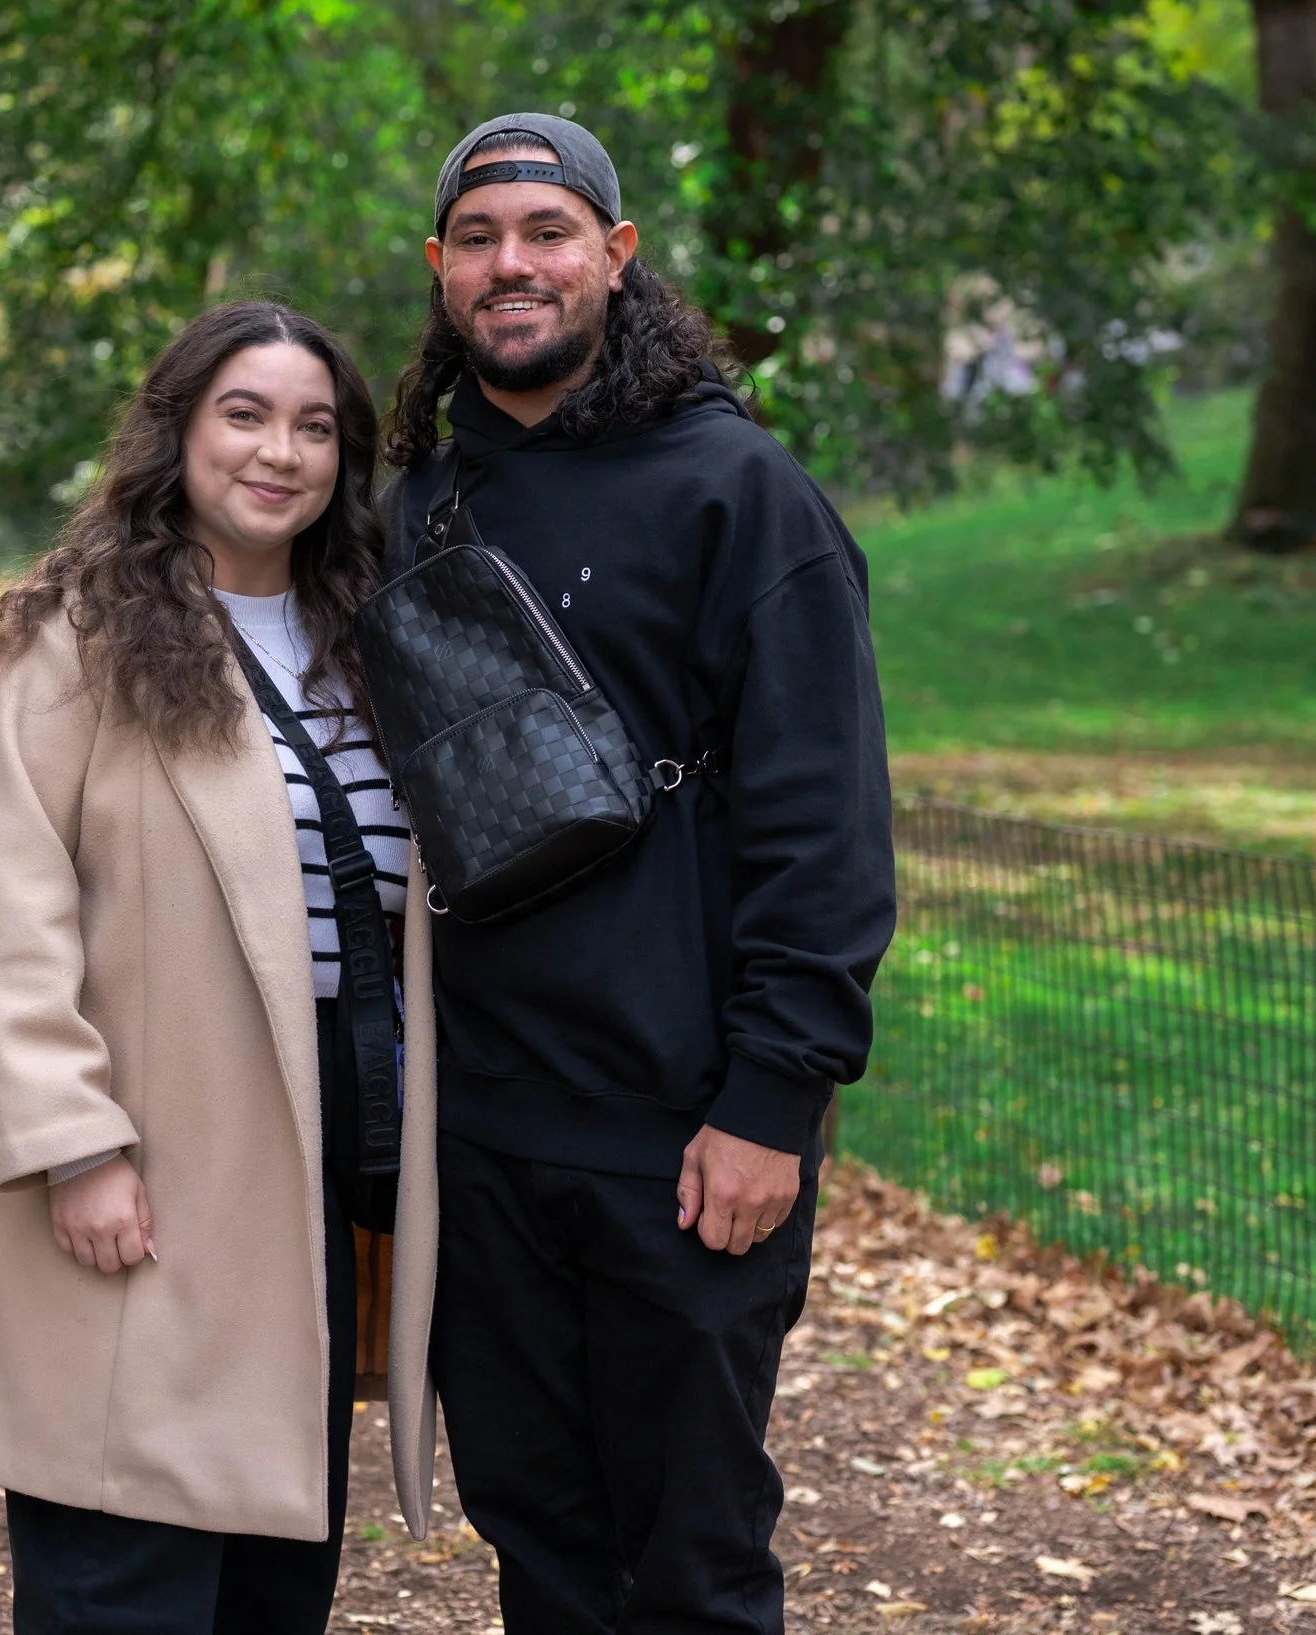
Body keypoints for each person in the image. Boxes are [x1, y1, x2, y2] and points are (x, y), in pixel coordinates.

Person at [381, 114, 897, 1633]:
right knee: (539, 1541)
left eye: (546, 232)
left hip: (684, 1143)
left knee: (691, 1556)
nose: (510, 265)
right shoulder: (416, 514)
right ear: (439, 272)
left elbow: (826, 824)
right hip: (480, 1133)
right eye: (477, 241)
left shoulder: (741, 493)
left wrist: (772, 1099)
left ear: (614, 256)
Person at [0, 300, 440, 1633]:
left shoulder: (368, 643)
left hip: (323, 1155)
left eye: (316, 425)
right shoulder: (64, 637)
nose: (282, 451)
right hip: (149, 1150)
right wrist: (73, 1142)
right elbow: (4, 909)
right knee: (126, 1561)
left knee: (274, 1575)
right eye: (247, 414)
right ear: (180, 430)